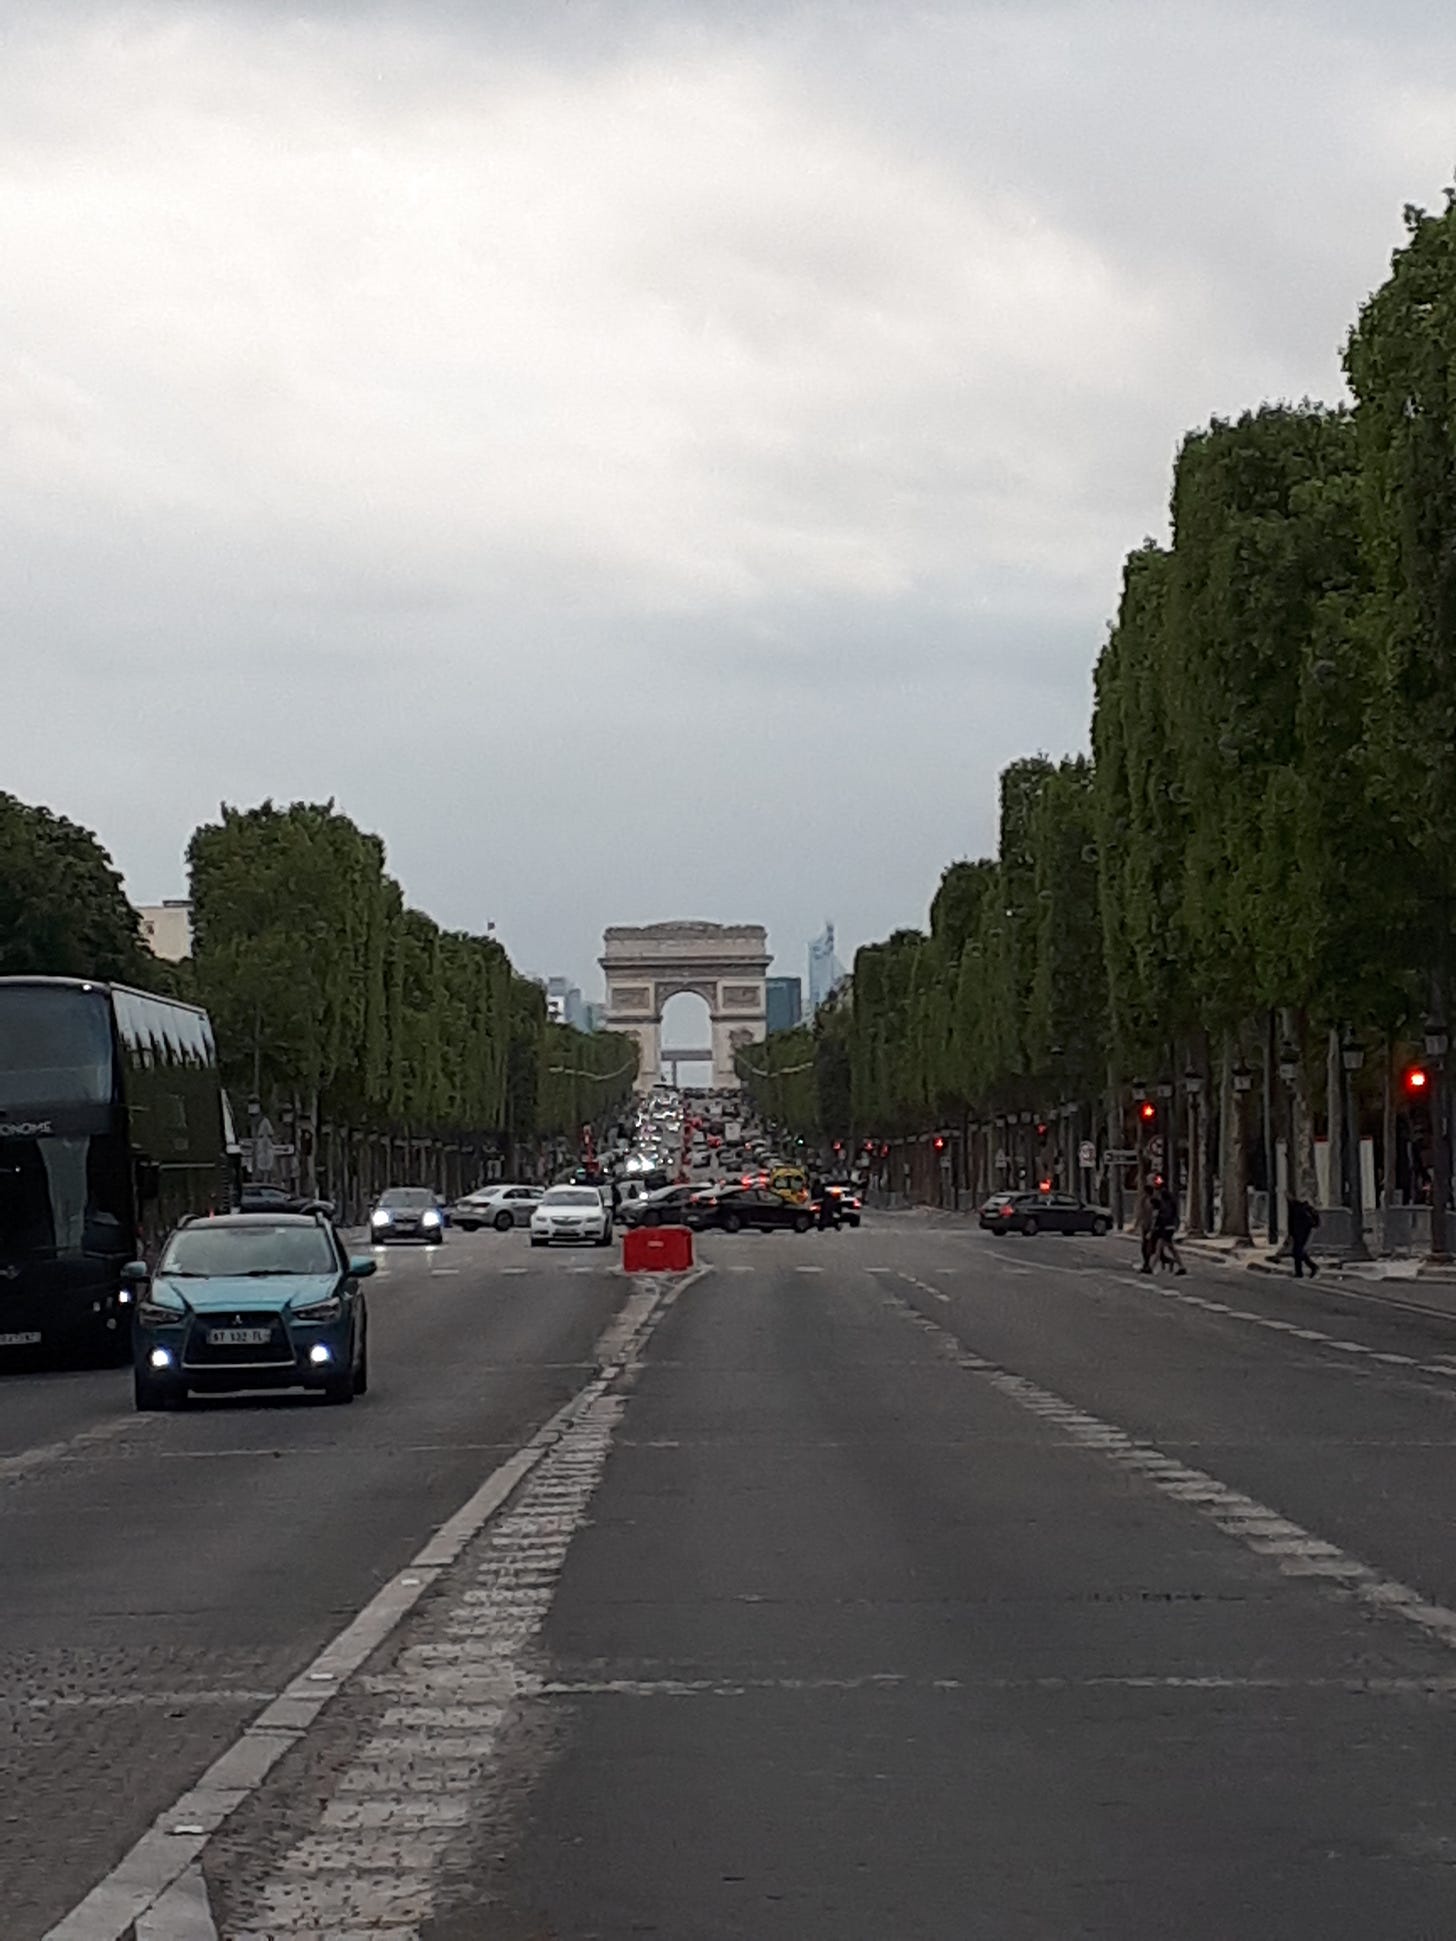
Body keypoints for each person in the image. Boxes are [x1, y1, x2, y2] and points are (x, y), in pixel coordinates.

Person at [1153, 1182, 1186, 1274]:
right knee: (1171, 1249)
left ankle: (1151, 1267)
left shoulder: (1163, 1205)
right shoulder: (1170, 1202)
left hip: (1164, 1228)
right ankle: (1181, 1266)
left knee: (1158, 1249)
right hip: (1169, 1228)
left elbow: (1162, 1217)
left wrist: (1156, 1226)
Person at [1287, 1195, 1320, 1278]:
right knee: (1298, 1251)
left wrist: (1292, 1233)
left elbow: (1292, 1221)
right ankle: (1305, 1269)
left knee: (1297, 1251)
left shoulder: (1297, 1207)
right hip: (1300, 1231)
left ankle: (1306, 1269)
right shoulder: (1296, 1207)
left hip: (1301, 1231)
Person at [1137, 1181, 1158, 1272]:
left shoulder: (1152, 1201)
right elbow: (1140, 1213)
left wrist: (1152, 1229)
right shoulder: (1143, 1200)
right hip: (1145, 1226)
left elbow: (1154, 1216)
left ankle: (1148, 1265)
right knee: (1145, 1247)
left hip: (1151, 1227)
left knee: (1149, 1247)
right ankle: (1147, 1264)